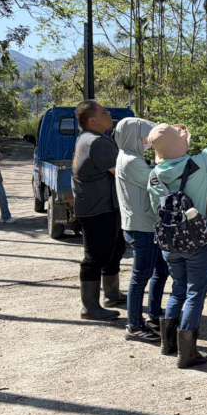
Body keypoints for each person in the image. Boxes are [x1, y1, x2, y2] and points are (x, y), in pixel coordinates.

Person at [147, 114, 207, 368]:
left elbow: (156, 211)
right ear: (180, 145)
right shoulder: (198, 164)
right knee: (195, 292)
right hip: (199, 242)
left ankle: (168, 344)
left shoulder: (153, 176)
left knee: (178, 289)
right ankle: (187, 353)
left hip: (169, 244)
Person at [114, 116, 170, 343]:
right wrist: (165, 157)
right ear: (133, 138)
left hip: (146, 225)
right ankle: (134, 325)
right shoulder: (131, 161)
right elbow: (159, 181)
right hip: (141, 227)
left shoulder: (130, 156)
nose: (149, 141)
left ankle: (154, 315)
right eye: (145, 137)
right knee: (141, 276)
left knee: (160, 270)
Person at [72, 100, 126, 321]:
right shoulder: (97, 142)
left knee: (114, 249)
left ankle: (112, 294)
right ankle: (90, 306)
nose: (109, 114)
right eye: (104, 112)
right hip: (98, 208)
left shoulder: (89, 138)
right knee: (95, 256)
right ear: (93, 120)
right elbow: (121, 173)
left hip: (102, 206)